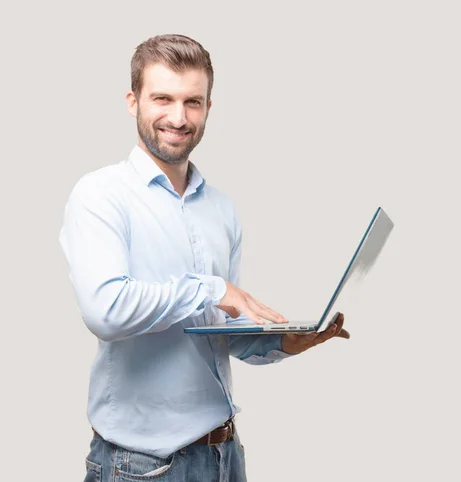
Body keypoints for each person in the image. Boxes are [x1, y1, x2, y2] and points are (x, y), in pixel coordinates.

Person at [59, 34, 349, 482]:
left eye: (193, 102)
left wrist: (283, 342)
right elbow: (106, 311)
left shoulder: (221, 209)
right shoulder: (99, 195)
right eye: (163, 99)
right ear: (133, 101)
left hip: (224, 456)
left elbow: (215, 330)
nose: (179, 117)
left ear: (209, 109)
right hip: (143, 468)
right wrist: (212, 288)